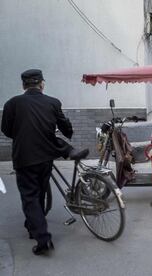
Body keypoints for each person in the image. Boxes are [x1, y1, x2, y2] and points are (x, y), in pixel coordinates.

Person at [1, 69, 88, 255]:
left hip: (24, 158)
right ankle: (32, 226)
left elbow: (6, 130)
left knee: (30, 197)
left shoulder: (12, 104)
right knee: (39, 192)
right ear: (42, 84)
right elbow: (64, 125)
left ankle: (43, 239)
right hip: (46, 156)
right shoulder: (52, 102)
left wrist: (22, 134)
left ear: (24, 86)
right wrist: (69, 133)